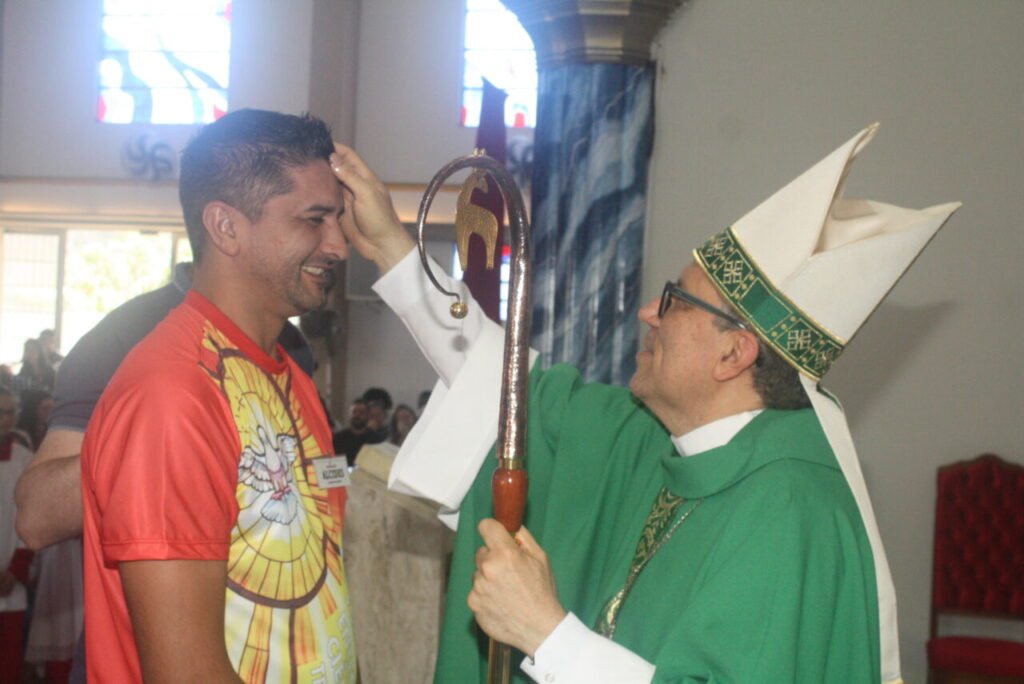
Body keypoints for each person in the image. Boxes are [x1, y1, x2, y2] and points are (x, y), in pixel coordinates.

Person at [332, 124, 960, 682]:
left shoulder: (792, 512)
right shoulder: (658, 444)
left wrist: (548, 634)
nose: (647, 314)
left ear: (733, 354)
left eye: (675, 301)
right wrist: (395, 250)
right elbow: (510, 391)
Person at [77, 109, 366, 682]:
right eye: (314, 220)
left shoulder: (292, 377)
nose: (339, 245)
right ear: (226, 226)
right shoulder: (173, 394)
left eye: (338, 218)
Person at [0, 386, 34, 683]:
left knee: (8, 662)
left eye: (11, 412)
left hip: (10, 581)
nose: (6, 419)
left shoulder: (24, 459)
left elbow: (32, 516)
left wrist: (14, 570)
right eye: (2, 412)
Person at [333, 398, 385, 466]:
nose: (357, 415)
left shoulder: (376, 441)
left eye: (361, 412)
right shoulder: (338, 438)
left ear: (368, 416)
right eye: (354, 412)